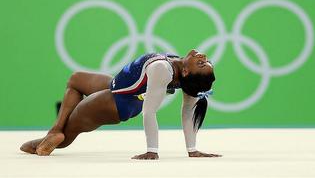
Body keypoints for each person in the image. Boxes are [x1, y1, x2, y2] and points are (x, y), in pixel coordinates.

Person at [20, 49, 221, 160]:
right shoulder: (182, 70)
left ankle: (55, 134)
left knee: (66, 135)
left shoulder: (163, 69)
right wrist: (192, 149)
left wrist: (153, 150)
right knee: (75, 79)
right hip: (115, 86)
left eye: (202, 64)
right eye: (206, 60)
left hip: (117, 102)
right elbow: (187, 111)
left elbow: (150, 113)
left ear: (186, 72)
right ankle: (54, 130)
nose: (203, 57)